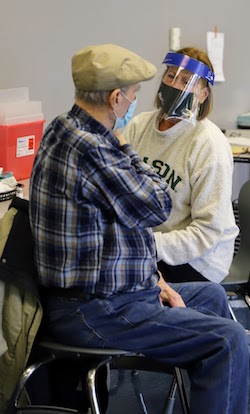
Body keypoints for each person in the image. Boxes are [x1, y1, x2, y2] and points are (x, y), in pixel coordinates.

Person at [29, 43, 249, 414]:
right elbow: (157, 204)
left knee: (211, 299)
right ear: (116, 98)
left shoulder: (63, 127)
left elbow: (124, 228)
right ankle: (217, 379)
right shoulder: (96, 148)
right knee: (228, 340)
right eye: (133, 93)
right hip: (98, 308)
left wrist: (155, 280)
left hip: (104, 290)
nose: (137, 99)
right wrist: (125, 145)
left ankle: (211, 394)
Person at [123, 46, 239, 284]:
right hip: (149, 244)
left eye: (187, 81)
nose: (176, 85)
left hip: (200, 258)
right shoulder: (138, 126)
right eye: (171, 76)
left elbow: (207, 232)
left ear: (203, 96)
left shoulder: (208, 144)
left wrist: (147, 244)